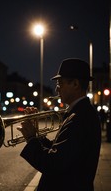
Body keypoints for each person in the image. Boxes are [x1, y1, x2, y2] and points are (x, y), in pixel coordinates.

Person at [17, 58, 101, 191]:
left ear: (75, 84)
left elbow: (53, 164)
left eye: (60, 83)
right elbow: (60, 152)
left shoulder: (80, 117)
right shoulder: (80, 112)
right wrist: (37, 135)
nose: (56, 88)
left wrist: (32, 139)